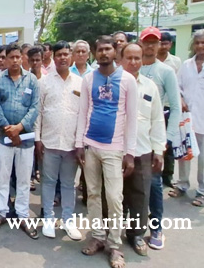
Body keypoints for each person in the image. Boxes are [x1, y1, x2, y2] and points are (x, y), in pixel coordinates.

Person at [75, 35, 137, 268]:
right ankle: (98, 237)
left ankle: (115, 244)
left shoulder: (127, 80)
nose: (103, 53)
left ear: (115, 51)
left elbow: (132, 118)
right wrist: (79, 144)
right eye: (100, 50)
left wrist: (130, 153)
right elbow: (83, 112)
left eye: (108, 49)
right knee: (92, 194)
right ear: (95, 52)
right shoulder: (89, 79)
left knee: (114, 198)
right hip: (90, 146)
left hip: (115, 149)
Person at [0, 43, 40, 239]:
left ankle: (22, 214)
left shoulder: (31, 80)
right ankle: (2, 211)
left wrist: (19, 127)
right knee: (3, 176)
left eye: (18, 57)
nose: (15, 60)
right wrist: (8, 130)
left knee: (24, 178)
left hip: (25, 139)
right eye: (11, 57)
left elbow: (35, 108)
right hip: (4, 138)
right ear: (6, 59)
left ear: (22, 58)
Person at [121, 44, 167, 256]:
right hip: (117, 150)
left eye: (137, 58)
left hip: (143, 150)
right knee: (113, 195)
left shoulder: (150, 86)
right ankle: (111, 233)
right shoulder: (114, 84)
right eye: (129, 58)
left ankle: (136, 234)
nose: (133, 62)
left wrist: (158, 150)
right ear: (121, 59)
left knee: (140, 194)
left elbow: (157, 120)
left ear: (142, 60)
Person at [138, 27, 181, 250]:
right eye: (146, 42)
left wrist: (167, 140)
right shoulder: (131, 68)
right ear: (140, 43)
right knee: (132, 184)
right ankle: (134, 226)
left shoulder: (166, 71)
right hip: (133, 137)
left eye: (154, 42)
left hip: (155, 135)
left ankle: (156, 228)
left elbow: (175, 107)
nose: (150, 46)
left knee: (154, 184)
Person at [35, 42, 83, 240]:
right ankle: (48, 218)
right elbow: (38, 112)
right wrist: (37, 139)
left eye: (66, 54)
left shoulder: (80, 83)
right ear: (53, 57)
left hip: (71, 144)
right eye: (59, 55)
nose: (63, 58)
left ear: (71, 56)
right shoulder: (44, 82)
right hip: (49, 142)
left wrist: (80, 143)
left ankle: (68, 220)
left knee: (69, 184)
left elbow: (83, 115)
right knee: (48, 182)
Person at [170, 29, 204, 208]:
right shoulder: (186, 65)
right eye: (197, 43)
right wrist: (181, 99)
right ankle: (182, 185)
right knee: (185, 154)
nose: (200, 46)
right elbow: (177, 87)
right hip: (187, 118)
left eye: (203, 42)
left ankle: (202, 192)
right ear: (193, 45)